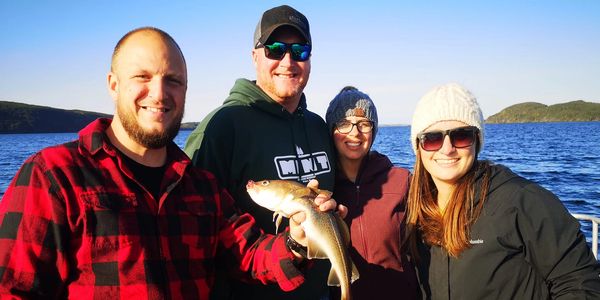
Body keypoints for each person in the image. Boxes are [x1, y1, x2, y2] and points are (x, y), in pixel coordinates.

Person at [0, 27, 343, 299]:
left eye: (173, 80)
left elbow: (250, 254)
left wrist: (297, 239)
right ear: (113, 84)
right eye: (143, 77)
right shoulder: (53, 177)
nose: (160, 93)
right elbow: (13, 289)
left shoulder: (199, 185)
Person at [183, 5, 335, 299]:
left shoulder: (318, 127)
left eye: (299, 51)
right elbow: (194, 235)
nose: (288, 61)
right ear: (255, 56)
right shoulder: (221, 127)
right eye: (275, 50)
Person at [405, 83, 600, 299]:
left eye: (461, 136)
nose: (447, 148)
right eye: (432, 138)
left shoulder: (521, 201)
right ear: (418, 147)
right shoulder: (415, 213)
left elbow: (580, 284)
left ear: (477, 141)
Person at [325, 86, 418, 299]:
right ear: (331, 130)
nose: (354, 133)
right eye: (344, 124)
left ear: (373, 130)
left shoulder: (402, 180)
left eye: (364, 124)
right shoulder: (324, 190)